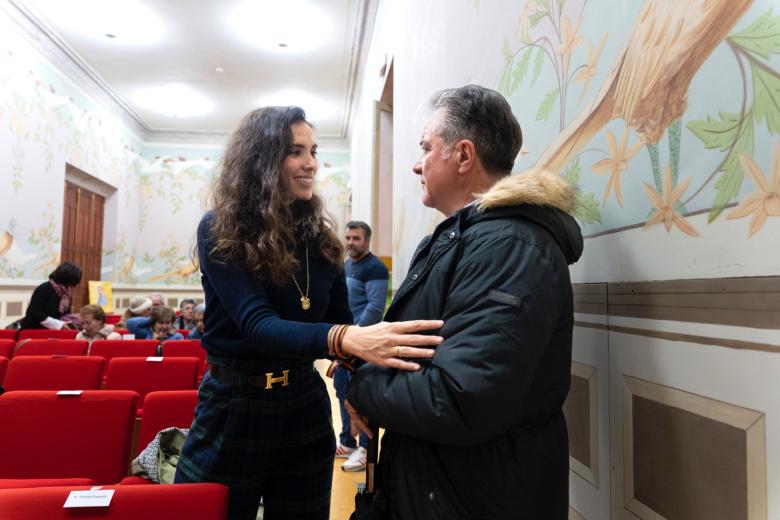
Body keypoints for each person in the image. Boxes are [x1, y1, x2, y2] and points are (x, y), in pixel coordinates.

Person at [173, 105, 444, 520]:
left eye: (314, 151)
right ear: (261, 159)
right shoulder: (220, 229)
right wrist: (344, 339)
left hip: (303, 404)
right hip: (233, 406)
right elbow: (258, 327)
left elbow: (341, 321)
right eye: (296, 152)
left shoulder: (320, 239)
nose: (311, 164)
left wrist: (356, 385)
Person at [345, 85, 584, 519]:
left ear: (463, 155)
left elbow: (460, 400)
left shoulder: (509, 248)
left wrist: (362, 386)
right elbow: (414, 356)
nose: (417, 163)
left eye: (425, 147)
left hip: (478, 497)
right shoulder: (466, 239)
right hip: (440, 487)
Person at [335, 220, 389, 472]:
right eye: (348, 238)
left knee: (364, 398)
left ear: (367, 240)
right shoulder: (347, 266)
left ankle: (366, 448)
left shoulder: (375, 268)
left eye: (356, 238)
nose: (350, 243)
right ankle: (347, 442)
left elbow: (375, 308)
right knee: (343, 392)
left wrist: (353, 338)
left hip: (363, 345)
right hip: (345, 344)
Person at [19, 261, 82, 330]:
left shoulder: (65, 293)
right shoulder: (44, 288)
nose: (72, 287)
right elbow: (35, 313)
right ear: (65, 279)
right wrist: (59, 324)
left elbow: (63, 314)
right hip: (34, 330)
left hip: (52, 331)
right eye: (72, 282)